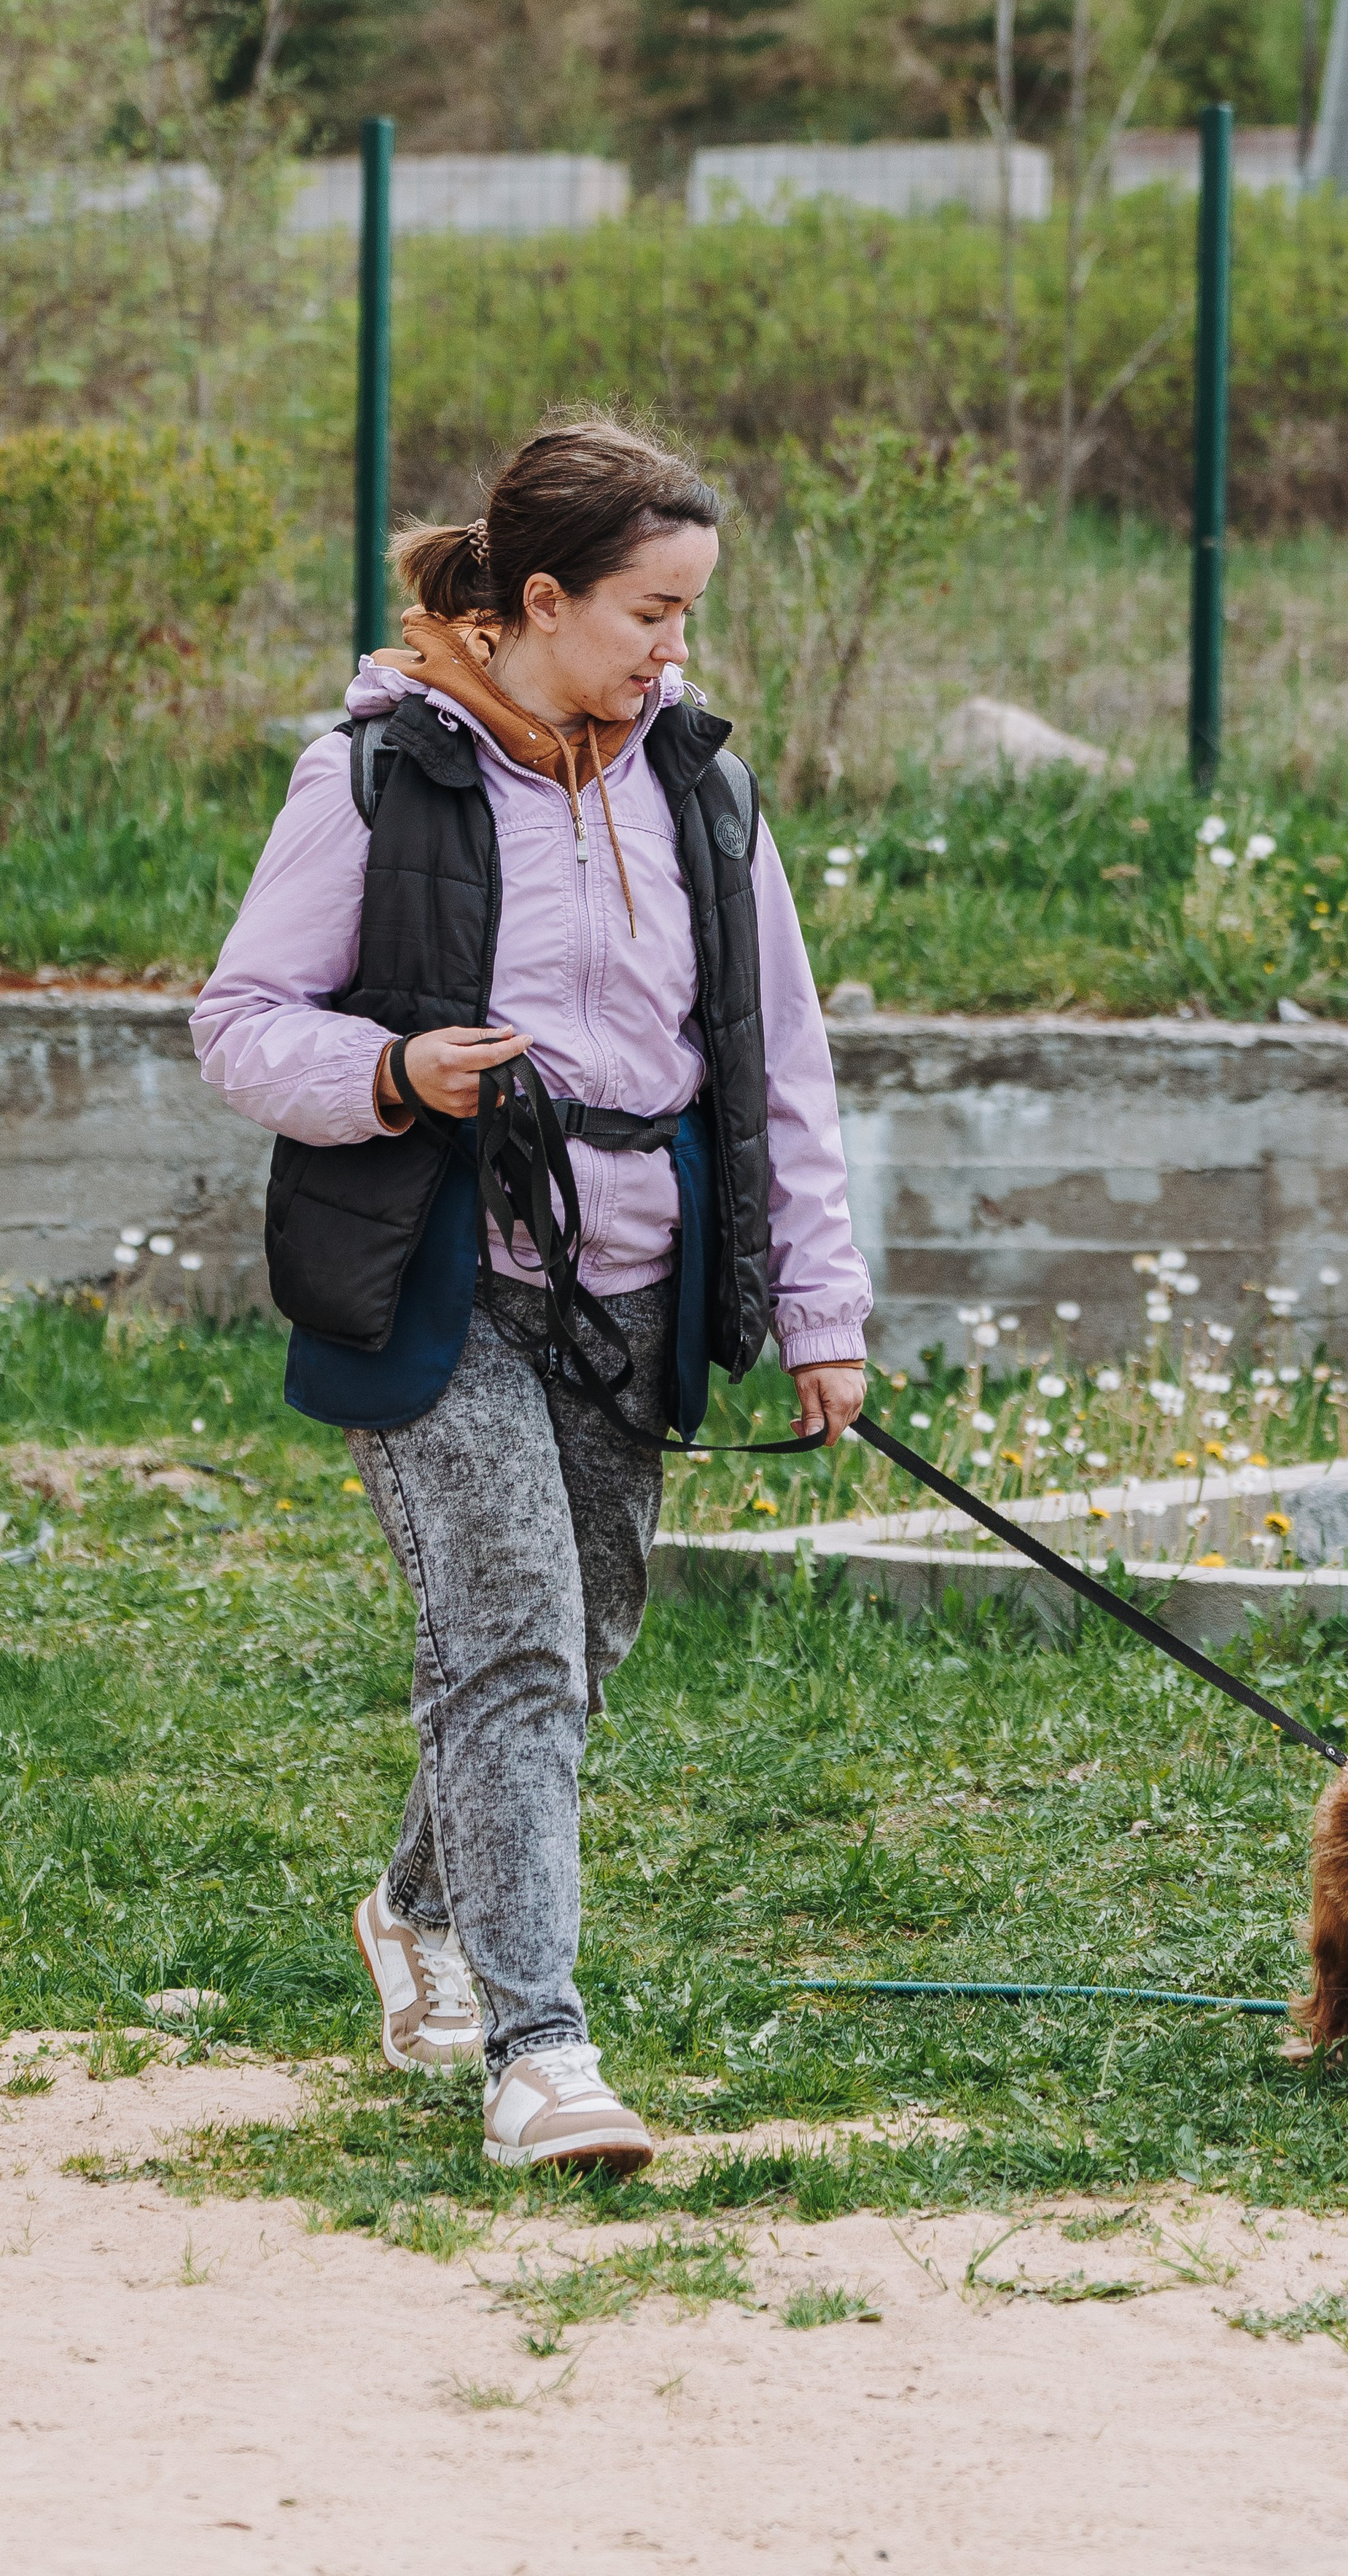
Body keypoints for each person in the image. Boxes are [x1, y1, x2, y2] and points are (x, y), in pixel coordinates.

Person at [193, 412, 870, 2173]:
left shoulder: (700, 785)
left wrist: (821, 1307)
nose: (674, 649)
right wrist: (400, 1072)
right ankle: (541, 2049)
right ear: (540, 598)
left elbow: (778, 1059)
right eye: (651, 611)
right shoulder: (378, 772)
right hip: (445, 1273)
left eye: (690, 614)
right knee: (510, 1640)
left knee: (583, 1649)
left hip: (634, 1282)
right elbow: (242, 1023)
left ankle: (417, 1904)